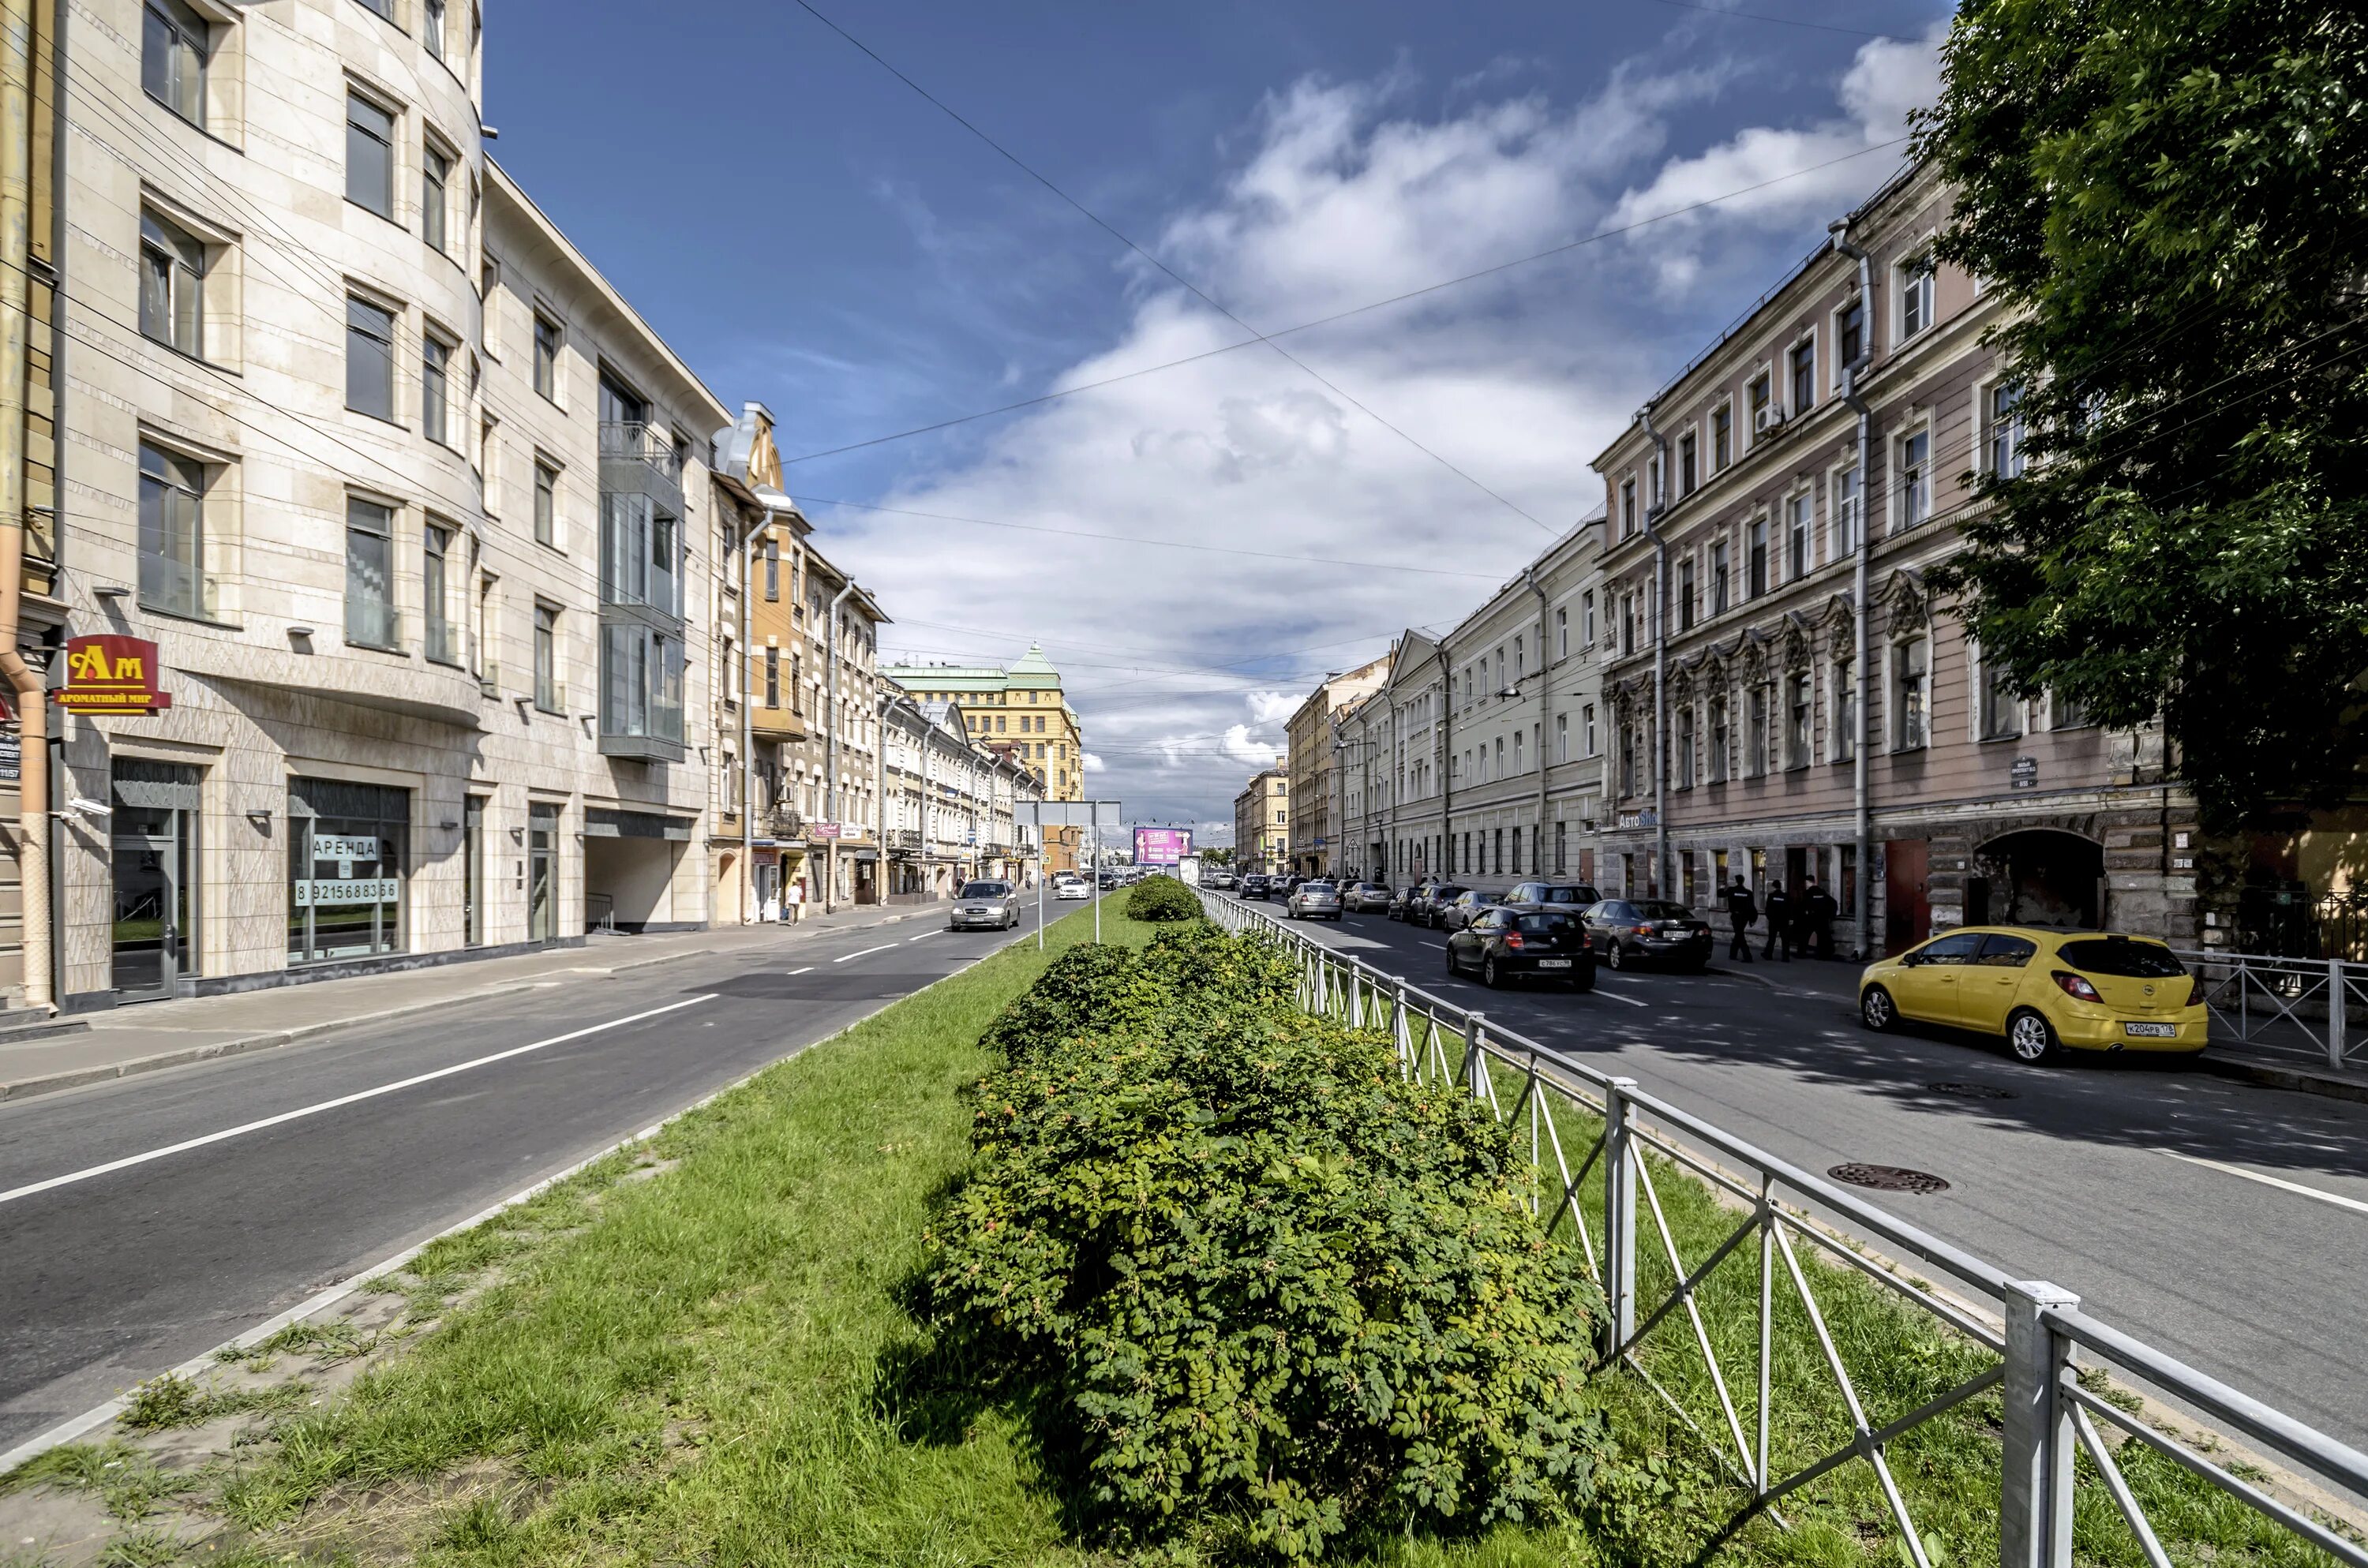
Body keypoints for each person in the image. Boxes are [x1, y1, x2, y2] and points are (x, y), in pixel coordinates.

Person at [1800, 874, 1839, 960]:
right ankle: (1822, 955)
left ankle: (1801, 953)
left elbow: (1803, 906)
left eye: (1806, 883)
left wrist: (1803, 915)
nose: (1805, 884)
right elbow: (1833, 903)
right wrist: (1831, 916)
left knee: (1804, 935)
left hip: (1811, 918)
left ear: (1807, 882)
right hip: (1822, 918)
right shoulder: (1822, 892)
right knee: (1823, 937)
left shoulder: (1807, 893)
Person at [1725, 877, 1757, 962]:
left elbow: (1720, 895)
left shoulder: (1731, 890)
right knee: (1739, 934)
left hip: (1736, 916)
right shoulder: (1748, 893)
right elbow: (1752, 907)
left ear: (1736, 881)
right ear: (1743, 881)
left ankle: (1748, 957)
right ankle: (1733, 954)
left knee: (1740, 935)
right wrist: (1752, 919)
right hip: (1745, 917)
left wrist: (1722, 888)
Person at [1761, 878, 1793, 961]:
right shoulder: (1786, 896)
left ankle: (1768, 955)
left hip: (1774, 921)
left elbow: (1767, 909)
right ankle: (1785, 958)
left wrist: (1770, 918)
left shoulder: (1771, 896)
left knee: (1772, 939)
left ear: (1774, 887)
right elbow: (1790, 909)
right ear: (1780, 887)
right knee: (1785, 940)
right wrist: (1790, 919)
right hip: (1784, 921)